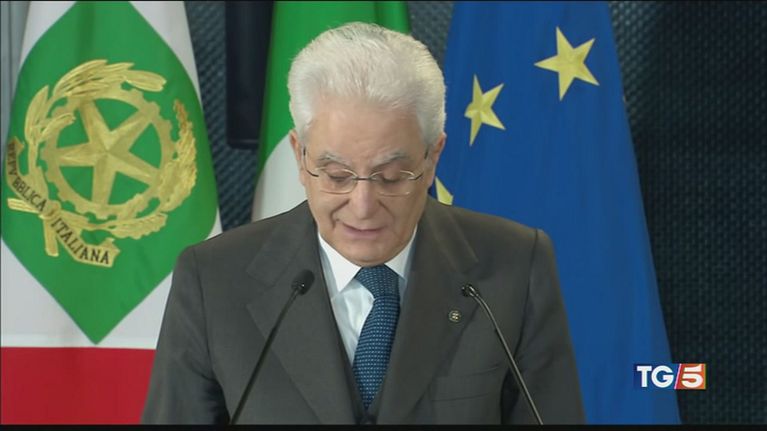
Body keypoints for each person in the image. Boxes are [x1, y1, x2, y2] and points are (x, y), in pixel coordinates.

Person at [143, 22, 585, 425]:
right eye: (337, 176)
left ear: (432, 157)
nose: (363, 206)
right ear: (299, 155)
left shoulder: (514, 266)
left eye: (390, 177)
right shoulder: (214, 280)